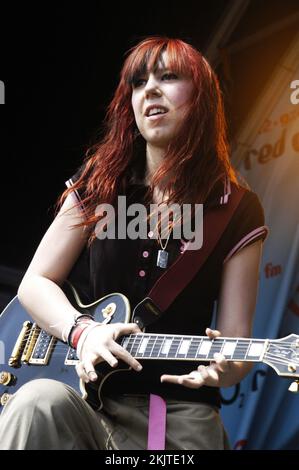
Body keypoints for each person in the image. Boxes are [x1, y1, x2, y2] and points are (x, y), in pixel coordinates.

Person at [0, 36, 268, 450]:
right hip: (84, 400)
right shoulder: (97, 187)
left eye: (169, 77)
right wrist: (82, 332)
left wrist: (225, 370)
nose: (151, 90)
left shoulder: (235, 208)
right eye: (139, 82)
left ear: (202, 98)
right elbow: (34, 283)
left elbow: (236, 345)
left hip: (178, 410)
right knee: (35, 402)